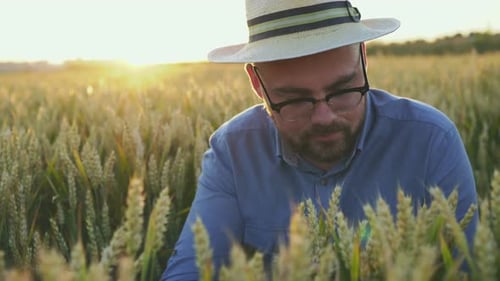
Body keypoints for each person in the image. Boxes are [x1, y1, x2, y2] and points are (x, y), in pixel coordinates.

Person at [161, 0, 479, 280]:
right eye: (295, 99)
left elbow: (469, 269)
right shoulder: (232, 152)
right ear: (257, 83)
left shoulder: (431, 141)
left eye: (343, 90)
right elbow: (190, 269)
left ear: (363, 58)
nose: (325, 117)